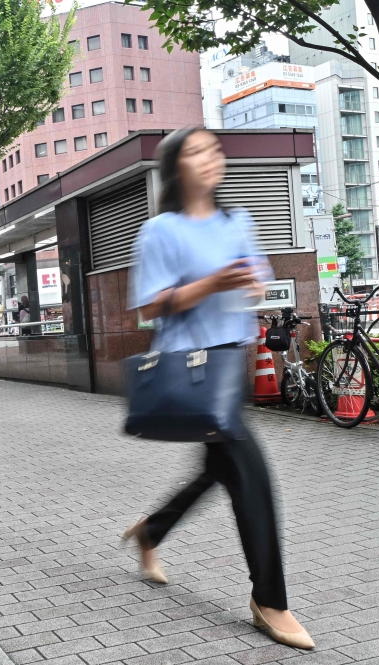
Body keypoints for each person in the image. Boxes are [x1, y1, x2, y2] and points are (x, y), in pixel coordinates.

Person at [122, 127, 314, 650]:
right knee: (249, 473)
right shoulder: (160, 230)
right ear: (175, 167)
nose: (210, 159)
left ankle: (150, 532)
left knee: (217, 470)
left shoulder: (237, 221)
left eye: (215, 149)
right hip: (192, 368)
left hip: (232, 364)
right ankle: (270, 600)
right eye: (196, 151)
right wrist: (213, 284)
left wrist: (248, 284)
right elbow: (150, 307)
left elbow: (254, 280)